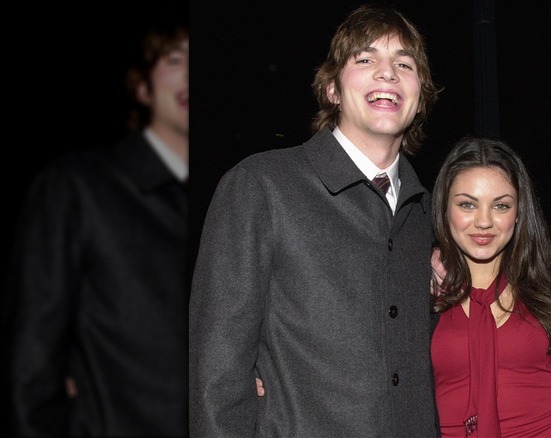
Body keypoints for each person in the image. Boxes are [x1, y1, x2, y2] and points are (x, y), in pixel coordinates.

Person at [189, 4, 439, 436]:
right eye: (365, 59)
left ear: (420, 99)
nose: (387, 73)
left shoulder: (430, 213)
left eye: (404, 63)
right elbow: (217, 373)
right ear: (332, 91)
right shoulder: (261, 185)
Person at [5, 17, 189, 437]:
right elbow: (33, 359)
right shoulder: (77, 188)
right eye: (175, 59)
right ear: (143, 87)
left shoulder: (235, 190)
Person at [429, 137, 551, 437]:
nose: (484, 221)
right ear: (444, 207)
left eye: (501, 205)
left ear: (518, 214)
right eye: (467, 204)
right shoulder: (418, 297)